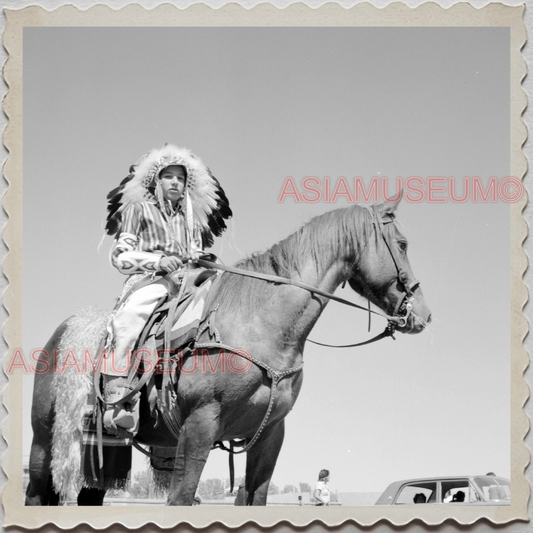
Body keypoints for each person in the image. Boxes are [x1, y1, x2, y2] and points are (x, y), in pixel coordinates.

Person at [103, 144, 231, 435]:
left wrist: (205, 262)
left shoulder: (191, 222)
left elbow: (196, 254)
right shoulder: (139, 210)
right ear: (156, 181)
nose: (176, 182)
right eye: (169, 176)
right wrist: (158, 260)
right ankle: (117, 399)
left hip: (190, 283)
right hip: (151, 282)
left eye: (181, 178)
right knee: (129, 319)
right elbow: (120, 257)